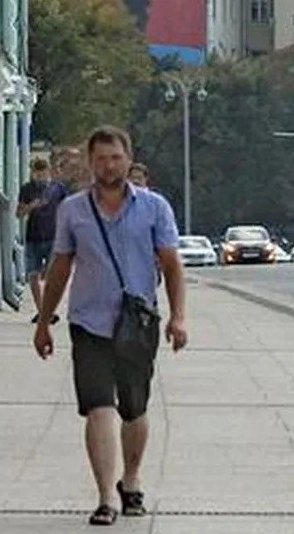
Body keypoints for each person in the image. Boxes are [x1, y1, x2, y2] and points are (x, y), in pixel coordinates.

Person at [33, 127, 188, 526]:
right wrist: (45, 322)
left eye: (115, 157)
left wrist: (178, 317)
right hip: (89, 323)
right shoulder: (73, 210)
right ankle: (106, 497)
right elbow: (61, 265)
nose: (108, 166)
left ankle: (131, 481)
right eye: (100, 158)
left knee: (134, 409)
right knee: (98, 406)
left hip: (137, 323)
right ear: (90, 162)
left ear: (127, 159)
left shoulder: (155, 208)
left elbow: (171, 264)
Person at [17, 156, 69, 323]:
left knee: (50, 275)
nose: (40, 177)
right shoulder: (27, 189)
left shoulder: (58, 188)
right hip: (33, 236)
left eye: (43, 173)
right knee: (33, 274)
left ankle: (48, 309)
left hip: (54, 236)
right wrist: (31, 206)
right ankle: (42, 312)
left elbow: (67, 210)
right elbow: (18, 214)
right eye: (36, 173)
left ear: (49, 172)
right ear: (32, 173)